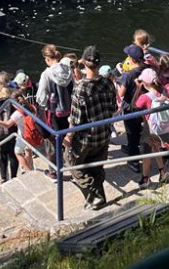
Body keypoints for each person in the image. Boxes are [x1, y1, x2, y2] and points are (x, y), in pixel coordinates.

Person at [64, 45, 117, 210]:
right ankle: (98, 199)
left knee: (72, 163)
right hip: (104, 134)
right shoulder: (108, 82)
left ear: (84, 63)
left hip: (86, 138)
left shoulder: (80, 88)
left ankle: (94, 195)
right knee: (96, 166)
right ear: (99, 63)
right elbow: (113, 108)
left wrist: (68, 137)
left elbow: (76, 120)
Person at [35, 44, 74, 179]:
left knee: (53, 143)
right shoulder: (68, 70)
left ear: (47, 59)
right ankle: (73, 167)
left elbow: (40, 98)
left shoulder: (46, 74)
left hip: (53, 115)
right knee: (67, 139)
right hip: (68, 112)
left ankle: (54, 172)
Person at [116, 43, 147, 174]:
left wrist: (118, 79)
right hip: (144, 106)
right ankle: (131, 148)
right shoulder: (147, 68)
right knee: (138, 130)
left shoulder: (128, 75)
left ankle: (133, 162)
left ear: (132, 59)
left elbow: (120, 94)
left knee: (131, 134)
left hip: (131, 109)